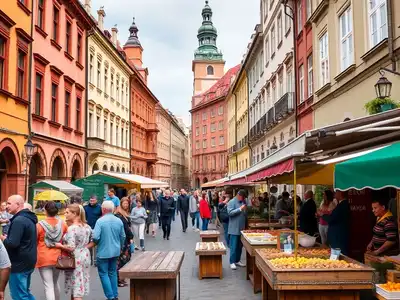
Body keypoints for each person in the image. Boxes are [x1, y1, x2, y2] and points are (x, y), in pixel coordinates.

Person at [1, 195, 37, 300]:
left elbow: (12, 243)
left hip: (19, 263)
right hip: (28, 260)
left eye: (9, 203)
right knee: (25, 292)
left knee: (19, 295)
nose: (6, 206)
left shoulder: (19, 220)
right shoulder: (27, 217)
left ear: (18, 205)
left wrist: (2, 238)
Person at [54, 204, 93, 300]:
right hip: (85, 255)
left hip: (76, 257)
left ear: (74, 213)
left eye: (67, 212)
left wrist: (60, 246)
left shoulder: (72, 228)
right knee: (80, 282)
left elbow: (71, 247)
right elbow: (93, 240)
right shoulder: (87, 226)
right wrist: (84, 247)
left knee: (76, 287)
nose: (65, 214)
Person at [93, 201, 125, 300]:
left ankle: (110, 296)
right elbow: (123, 236)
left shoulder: (100, 221)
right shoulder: (118, 220)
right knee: (113, 272)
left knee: (103, 273)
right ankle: (115, 294)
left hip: (103, 251)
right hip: (115, 251)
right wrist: (120, 246)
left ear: (103, 209)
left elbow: (95, 237)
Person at [36, 201, 68, 300]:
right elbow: (66, 237)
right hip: (57, 256)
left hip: (44, 256)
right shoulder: (62, 224)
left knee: (48, 285)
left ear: (45, 211)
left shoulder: (39, 225)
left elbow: (35, 240)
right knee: (55, 282)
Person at [322, 190, 350, 255]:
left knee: (340, 255)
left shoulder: (343, 205)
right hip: (337, 236)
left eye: (336, 191)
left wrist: (322, 215)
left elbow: (332, 219)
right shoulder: (341, 204)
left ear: (340, 193)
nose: (334, 193)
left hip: (338, 237)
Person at [227, 190, 249, 270]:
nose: (243, 199)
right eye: (243, 197)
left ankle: (237, 260)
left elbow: (245, 214)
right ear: (239, 195)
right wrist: (240, 209)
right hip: (234, 229)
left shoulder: (243, 202)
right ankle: (232, 262)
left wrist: (245, 210)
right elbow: (230, 213)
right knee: (233, 246)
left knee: (240, 246)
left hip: (241, 228)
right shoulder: (231, 202)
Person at [115, 197, 134, 287]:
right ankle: (119, 279)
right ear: (121, 203)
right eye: (124, 203)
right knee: (122, 260)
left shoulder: (125, 213)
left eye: (127, 204)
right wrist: (131, 236)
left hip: (126, 239)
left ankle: (121, 278)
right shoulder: (119, 214)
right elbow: (125, 227)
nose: (126, 205)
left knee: (125, 259)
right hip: (123, 240)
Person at [84, 195, 102, 265]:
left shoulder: (99, 208)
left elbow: (102, 216)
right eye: (90, 200)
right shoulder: (85, 208)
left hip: (96, 228)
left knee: (96, 244)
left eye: (93, 200)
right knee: (88, 244)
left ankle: (96, 260)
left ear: (96, 200)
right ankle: (89, 260)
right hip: (88, 228)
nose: (91, 202)